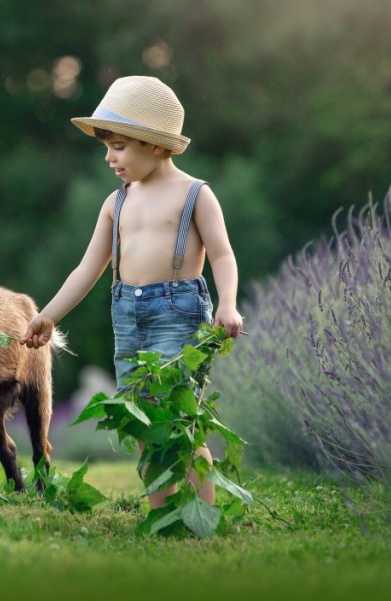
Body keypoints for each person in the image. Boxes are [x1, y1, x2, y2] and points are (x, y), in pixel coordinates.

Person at [20, 75, 244, 509]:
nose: (109, 157)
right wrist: (49, 315)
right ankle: (161, 512)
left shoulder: (194, 195)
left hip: (178, 313)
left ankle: (205, 514)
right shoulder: (115, 202)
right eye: (106, 147)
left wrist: (229, 304)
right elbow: (88, 268)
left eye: (118, 146)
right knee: (140, 418)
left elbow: (222, 255)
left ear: (155, 144)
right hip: (127, 316)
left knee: (177, 419)